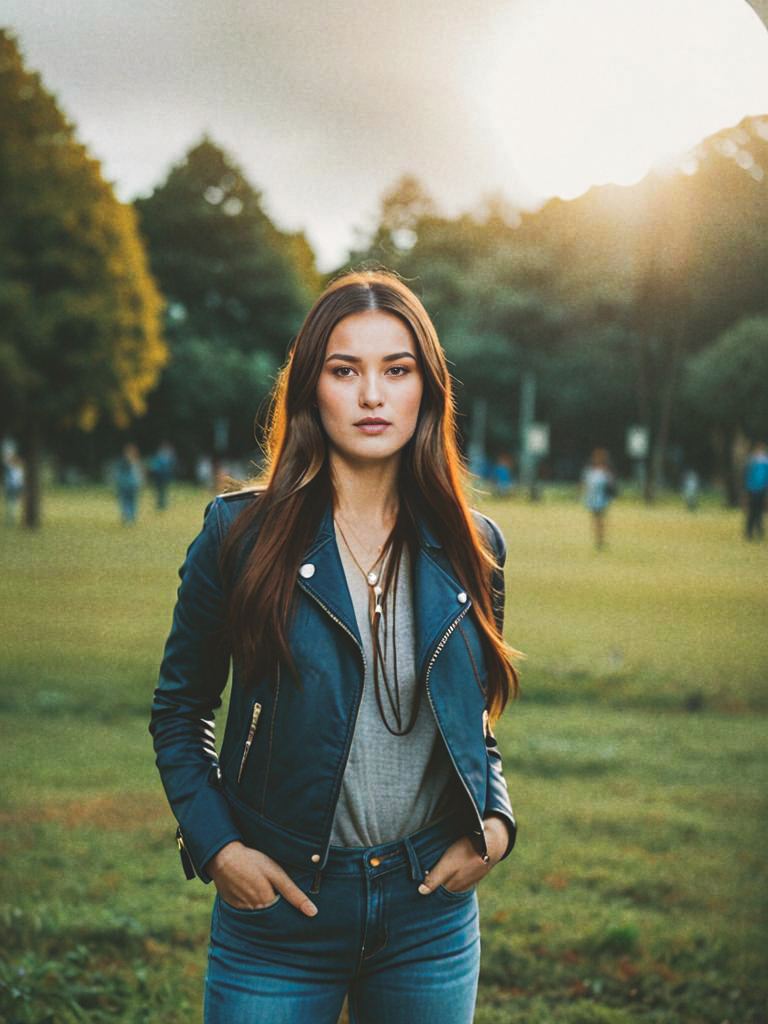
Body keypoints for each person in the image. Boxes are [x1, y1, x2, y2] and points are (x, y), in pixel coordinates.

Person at [150, 270, 520, 1024]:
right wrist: (220, 849)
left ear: (428, 389)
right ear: (311, 388)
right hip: (280, 915)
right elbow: (179, 713)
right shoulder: (238, 537)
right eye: (345, 370)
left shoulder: (474, 545)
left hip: (430, 919)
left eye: (397, 369)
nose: (372, 395)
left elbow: (475, 721)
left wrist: (495, 824)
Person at [582, 447, 616, 549]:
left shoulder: (606, 471)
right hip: (593, 499)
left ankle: (600, 539)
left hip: (601, 499)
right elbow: (585, 484)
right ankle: (598, 539)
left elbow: (611, 484)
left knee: (600, 520)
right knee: (596, 520)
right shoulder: (590, 471)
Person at [744, 442, 768, 540]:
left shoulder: (765, 464)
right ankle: (749, 532)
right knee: (752, 512)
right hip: (753, 490)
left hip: (762, 490)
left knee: (759, 512)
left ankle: (759, 532)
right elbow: (747, 477)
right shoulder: (752, 463)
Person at [115, 443, 142, 524]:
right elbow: (138, 474)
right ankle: (131, 517)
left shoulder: (123, 461)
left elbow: (119, 474)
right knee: (131, 501)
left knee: (125, 502)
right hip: (132, 484)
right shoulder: (135, 461)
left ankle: (128, 517)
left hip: (126, 484)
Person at [149, 441, 176, 510]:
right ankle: (161, 504)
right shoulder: (163, 455)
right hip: (161, 476)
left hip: (163, 476)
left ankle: (162, 504)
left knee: (162, 491)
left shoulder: (164, 455)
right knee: (161, 491)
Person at [3, 453, 24, 525]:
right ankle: (11, 517)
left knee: (13, 503)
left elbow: (19, 481)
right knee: (11, 503)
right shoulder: (15, 470)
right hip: (12, 487)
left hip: (14, 487)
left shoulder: (17, 470)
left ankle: (12, 517)